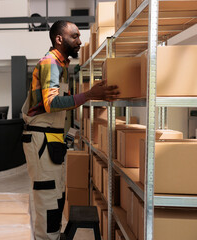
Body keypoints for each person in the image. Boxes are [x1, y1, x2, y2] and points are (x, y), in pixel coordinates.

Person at [21, 20, 119, 240]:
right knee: (48, 197)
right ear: (59, 39)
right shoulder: (50, 63)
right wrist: (88, 95)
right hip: (42, 141)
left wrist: (69, 135)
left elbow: (59, 108)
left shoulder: (61, 64)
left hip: (51, 141)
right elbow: (51, 103)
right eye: (74, 36)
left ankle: (53, 236)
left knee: (56, 196)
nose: (79, 41)